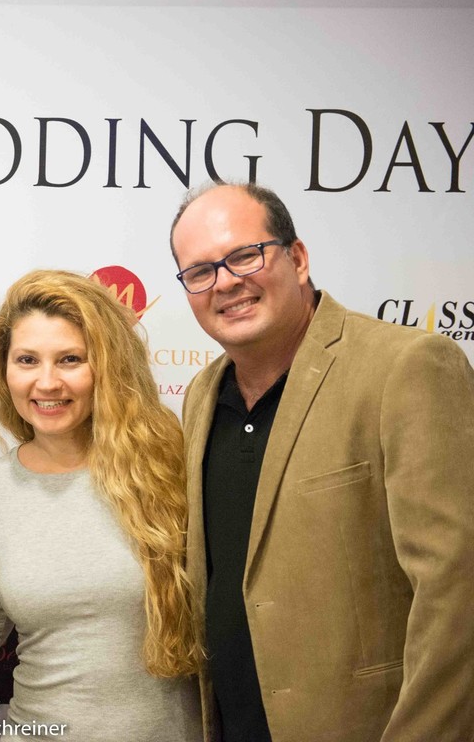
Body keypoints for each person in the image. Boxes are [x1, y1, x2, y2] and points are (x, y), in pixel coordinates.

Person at [169, 182, 474, 742]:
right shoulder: (200, 395)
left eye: (245, 255)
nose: (227, 282)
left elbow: (458, 594)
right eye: (200, 271)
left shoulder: (406, 368)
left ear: (298, 257)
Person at [0, 270, 202, 742]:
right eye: (27, 360)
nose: (47, 382)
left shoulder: (173, 464)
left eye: (70, 359)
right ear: (5, 370)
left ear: (106, 366)